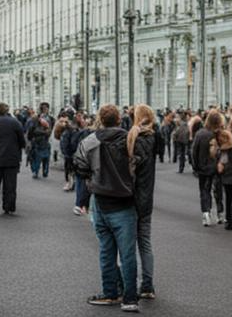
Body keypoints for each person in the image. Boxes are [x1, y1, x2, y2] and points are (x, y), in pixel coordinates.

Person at [74, 104, 139, 313]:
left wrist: (93, 181)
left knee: (106, 250)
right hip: (126, 203)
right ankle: (130, 298)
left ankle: (110, 292)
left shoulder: (89, 141)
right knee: (128, 254)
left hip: (101, 201)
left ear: (100, 120)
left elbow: (79, 166)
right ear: (119, 119)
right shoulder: (130, 140)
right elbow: (140, 167)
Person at [128, 105, 157, 300]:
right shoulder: (154, 137)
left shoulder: (136, 140)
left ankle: (128, 286)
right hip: (147, 197)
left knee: (128, 244)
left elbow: (131, 172)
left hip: (132, 198)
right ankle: (147, 285)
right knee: (145, 243)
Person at [192, 111, 225, 226]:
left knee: (204, 190)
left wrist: (195, 166)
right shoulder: (221, 133)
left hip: (203, 167)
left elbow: (194, 151)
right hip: (217, 166)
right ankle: (220, 213)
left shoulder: (200, 134)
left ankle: (206, 213)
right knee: (218, 190)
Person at [26, 111, 52, 179]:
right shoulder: (46, 125)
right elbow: (48, 133)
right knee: (45, 159)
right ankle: (44, 172)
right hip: (44, 144)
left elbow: (29, 136)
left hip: (37, 144)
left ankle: (36, 172)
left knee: (36, 159)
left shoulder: (34, 125)